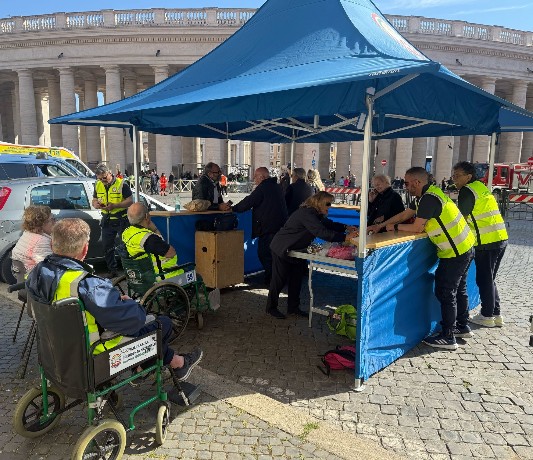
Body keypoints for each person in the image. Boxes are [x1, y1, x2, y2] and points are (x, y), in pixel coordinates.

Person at [25, 218, 203, 381]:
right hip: (96, 355)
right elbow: (133, 322)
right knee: (163, 324)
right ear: (85, 249)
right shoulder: (88, 285)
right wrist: (130, 303)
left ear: (52, 243)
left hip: (56, 351)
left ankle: (149, 366)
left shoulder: (36, 274)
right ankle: (174, 363)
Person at [368, 167, 475, 350]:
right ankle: (462, 326)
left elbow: (417, 227)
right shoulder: (426, 195)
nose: (405, 186)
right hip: (464, 246)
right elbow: (405, 214)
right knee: (458, 289)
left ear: (417, 182)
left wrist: (393, 228)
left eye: (407, 183)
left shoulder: (428, 199)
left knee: (445, 292)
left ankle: (448, 336)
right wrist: (381, 225)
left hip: (455, 251)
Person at [267, 192, 358, 319]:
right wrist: (345, 237)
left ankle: (293, 307)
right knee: (279, 279)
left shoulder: (316, 214)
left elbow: (329, 224)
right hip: (282, 247)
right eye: (327, 203)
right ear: (319, 202)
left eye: (330, 203)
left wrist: (345, 227)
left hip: (297, 249)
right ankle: (271, 308)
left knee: (296, 280)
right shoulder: (307, 213)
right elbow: (321, 232)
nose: (330, 206)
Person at [452, 161, 508, 328]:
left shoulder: (467, 190)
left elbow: (460, 217)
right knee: (490, 278)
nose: (454, 179)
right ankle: (496, 313)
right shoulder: (481, 187)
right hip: (500, 237)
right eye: (453, 176)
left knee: (484, 279)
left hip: (485, 241)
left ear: (468, 176)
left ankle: (487, 315)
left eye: (457, 176)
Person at [232, 167, 288, 285]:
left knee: (264, 254)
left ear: (262, 177)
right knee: (274, 255)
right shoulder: (276, 186)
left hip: (268, 228)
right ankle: (277, 278)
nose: (254, 179)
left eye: (255, 176)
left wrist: (233, 208)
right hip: (280, 227)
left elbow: (248, 202)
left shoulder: (262, 188)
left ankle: (272, 280)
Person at [92, 163, 133, 278]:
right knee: (107, 247)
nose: (102, 180)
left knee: (126, 247)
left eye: (104, 177)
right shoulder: (98, 184)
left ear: (109, 173)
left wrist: (115, 205)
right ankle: (112, 270)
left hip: (121, 219)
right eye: (100, 178)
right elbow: (94, 200)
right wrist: (96, 204)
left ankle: (130, 271)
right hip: (107, 220)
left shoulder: (122, 184)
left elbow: (130, 201)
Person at [122, 202, 183, 279]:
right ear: (146, 216)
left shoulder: (126, 233)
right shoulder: (149, 238)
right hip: (164, 277)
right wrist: (155, 229)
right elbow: (171, 253)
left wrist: (154, 230)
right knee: (193, 274)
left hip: (142, 277)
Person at [11, 205, 54, 273]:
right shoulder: (41, 241)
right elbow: (47, 267)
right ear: (41, 224)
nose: (55, 222)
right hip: (33, 275)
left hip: (22, 272)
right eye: (52, 220)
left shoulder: (28, 233)